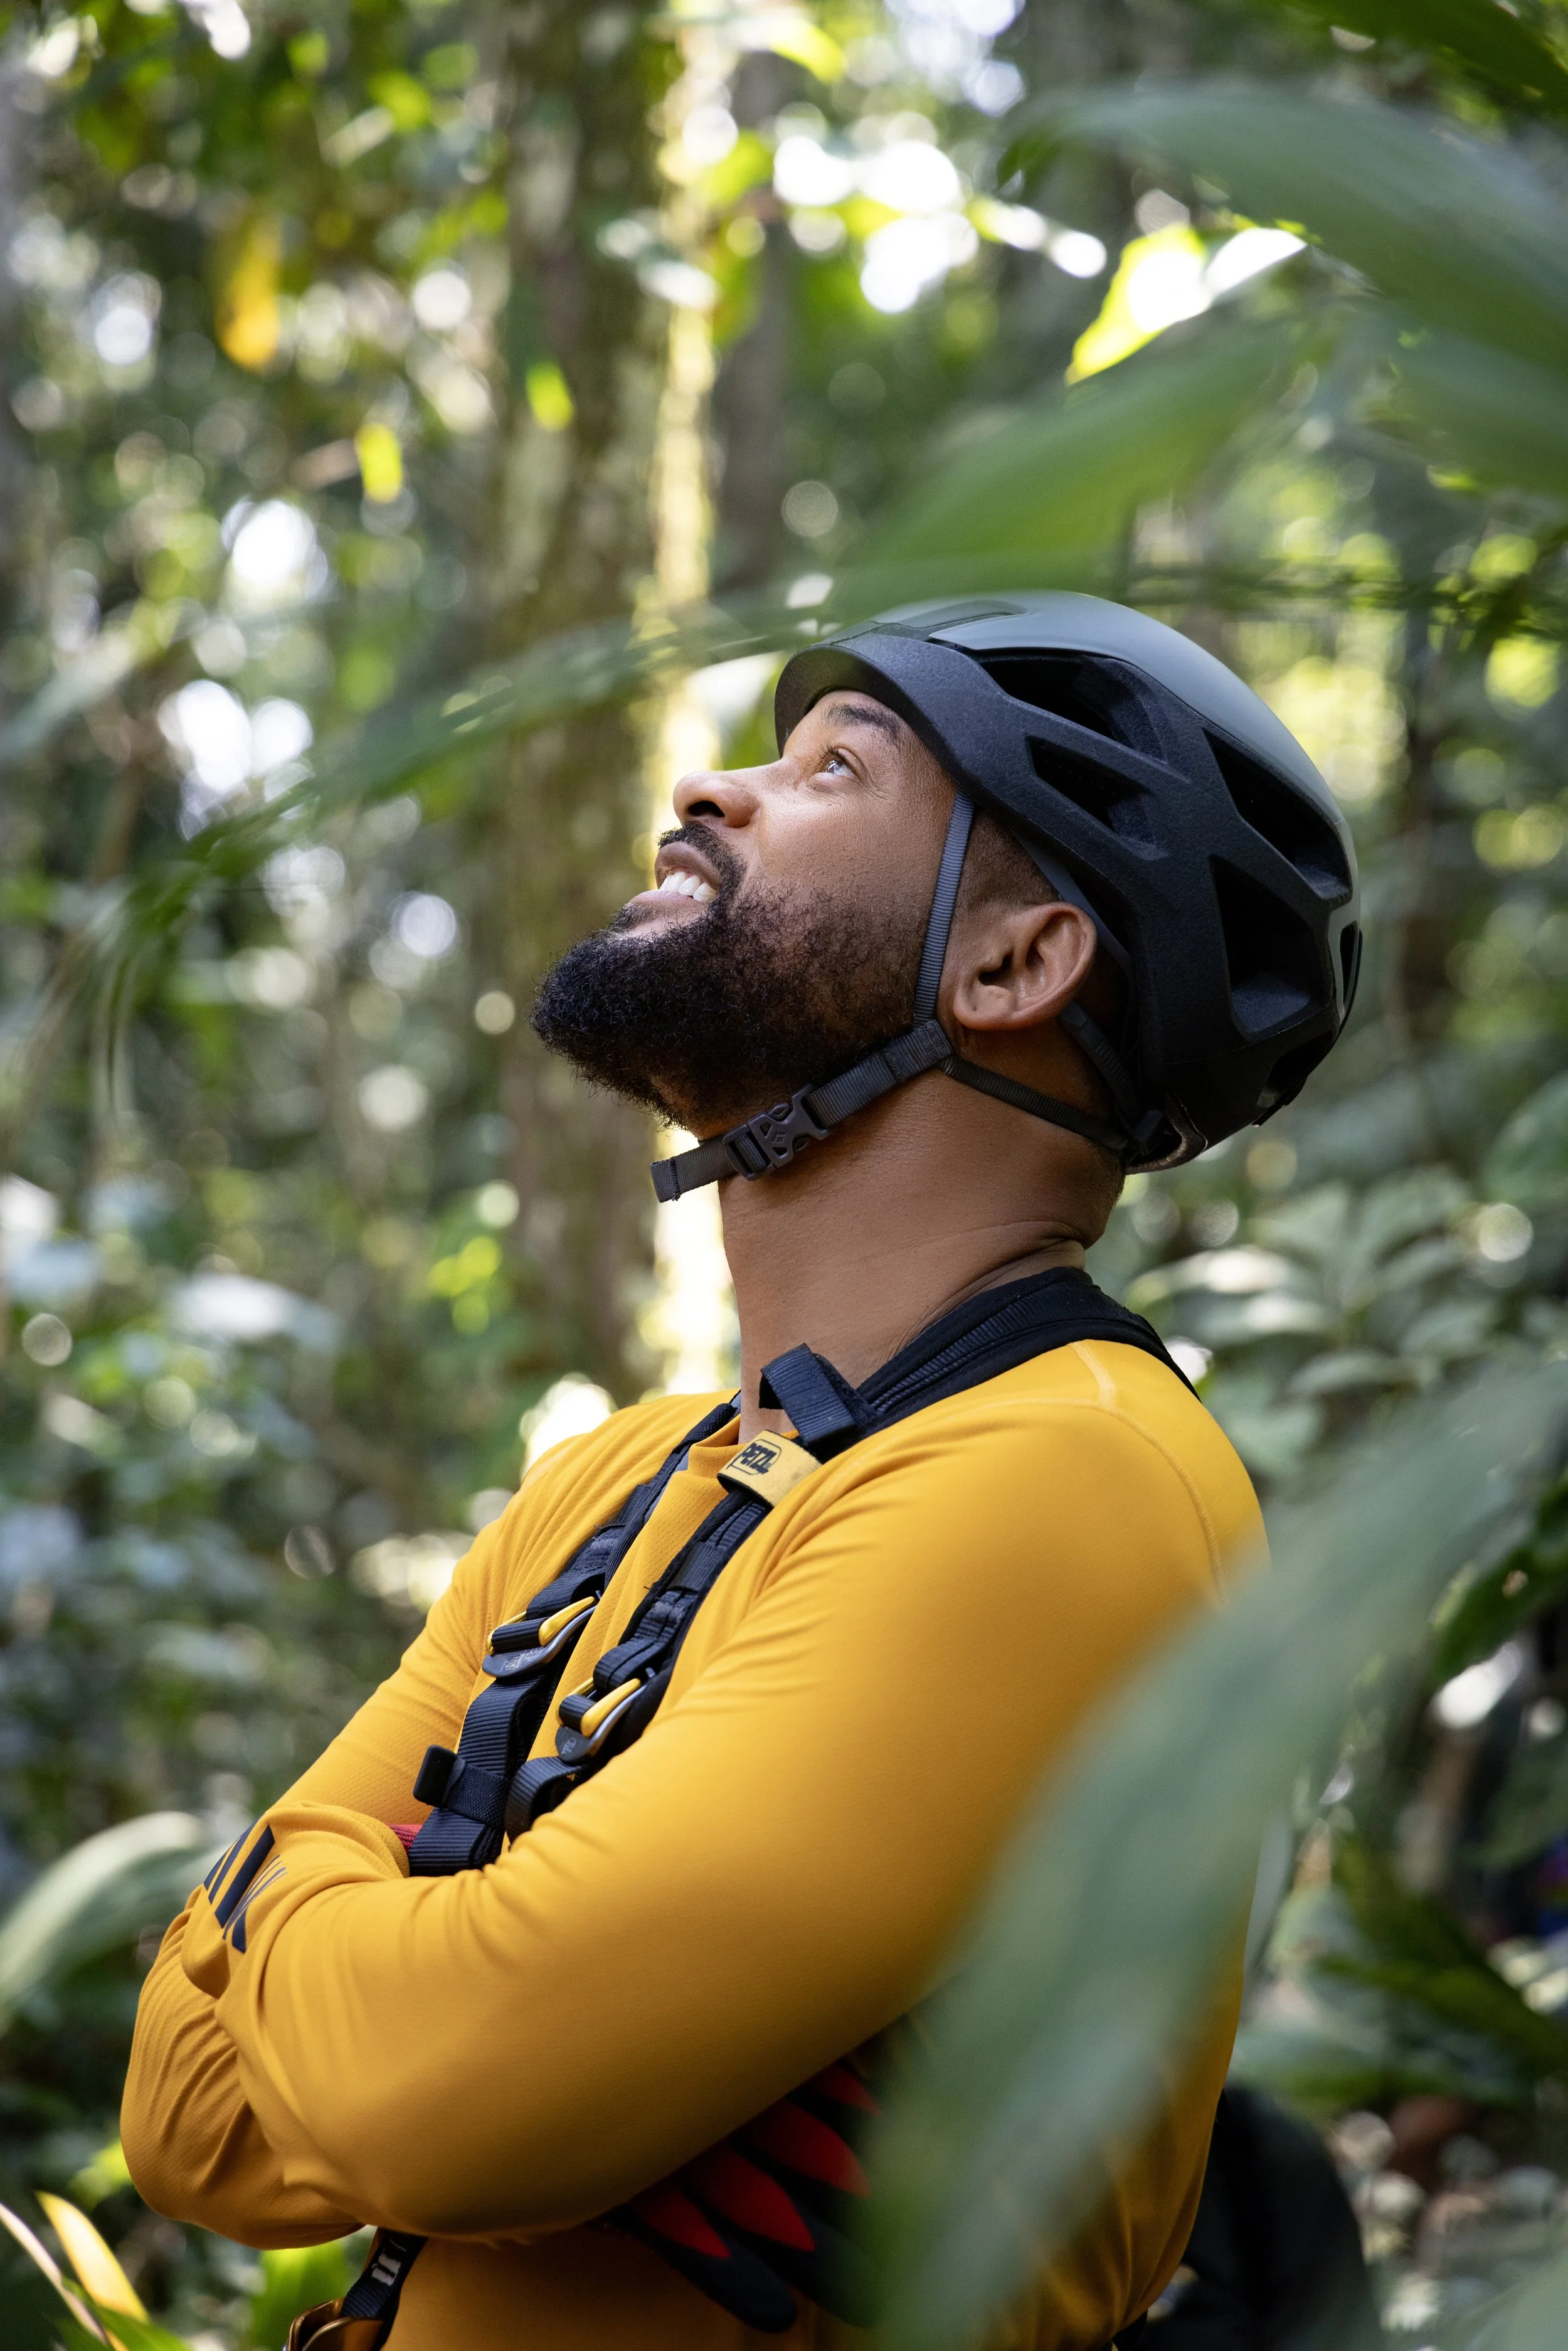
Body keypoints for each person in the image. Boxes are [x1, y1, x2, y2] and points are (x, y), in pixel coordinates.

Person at [122, 594, 1359, 2350]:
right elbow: (185, 2121)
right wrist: (440, 1980)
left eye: (832, 770)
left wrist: (334, 1883)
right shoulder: (629, 1477)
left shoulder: (1068, 1477)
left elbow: (428, 2101)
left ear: (1011, 964)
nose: (709, 789)